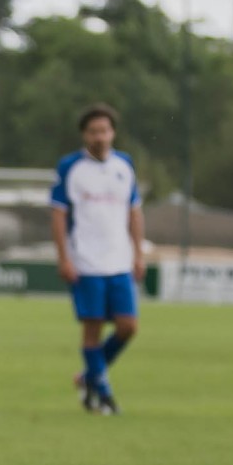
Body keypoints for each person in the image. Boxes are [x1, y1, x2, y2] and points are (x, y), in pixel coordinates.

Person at [50, 103, 145, 415]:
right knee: (92, 329)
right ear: (84, 135)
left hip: (120, 261)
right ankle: (103, 394)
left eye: (104, 130)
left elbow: (134, 213)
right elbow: (59, 215)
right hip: (86, 261)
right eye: (93, 131)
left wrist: (138, 253)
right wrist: (64, 258)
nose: (100, 136)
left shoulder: (125, 165)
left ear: (113, 132)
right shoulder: (70, 167)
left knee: (128, 326)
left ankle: (88, 376)